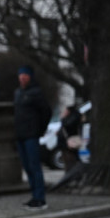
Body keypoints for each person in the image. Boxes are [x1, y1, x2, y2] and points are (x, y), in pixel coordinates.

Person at [13, 65, 52, 210]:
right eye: (20, 75)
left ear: (30, 77)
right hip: (21, 135)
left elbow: (46, 111)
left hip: (31, 135)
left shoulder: (36, 93)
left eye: (25, 75)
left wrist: (40, 129)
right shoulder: (18, 93)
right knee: (28, 167)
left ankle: (40, 197)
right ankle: (34, 195)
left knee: (35, 166)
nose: (22, 78)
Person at [58, 105, 83, 171]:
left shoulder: (72, 118)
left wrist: (63, 118)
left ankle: (73, 173)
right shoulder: (75, 116)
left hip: (70, 140)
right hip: (69, 140)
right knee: (70, 158)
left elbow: (67, 125)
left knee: (71, 159)